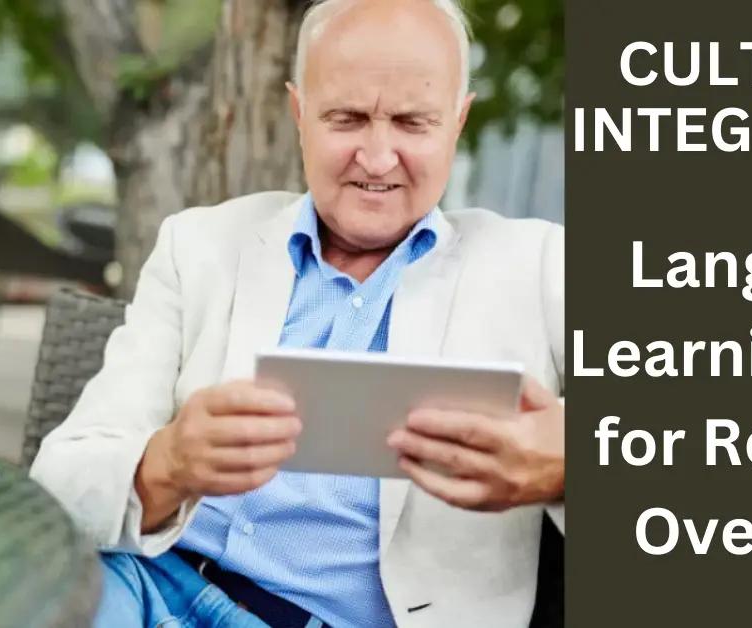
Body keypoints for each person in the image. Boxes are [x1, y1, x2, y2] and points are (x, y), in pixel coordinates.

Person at [30, 0, 565, 626]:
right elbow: (59, 479)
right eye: (347, 118)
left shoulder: (541, 267)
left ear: (458, 121)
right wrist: (166, 464)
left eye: (412, 123)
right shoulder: (199, 245)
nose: (377, 156)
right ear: (299, 114)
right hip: (145, 584)